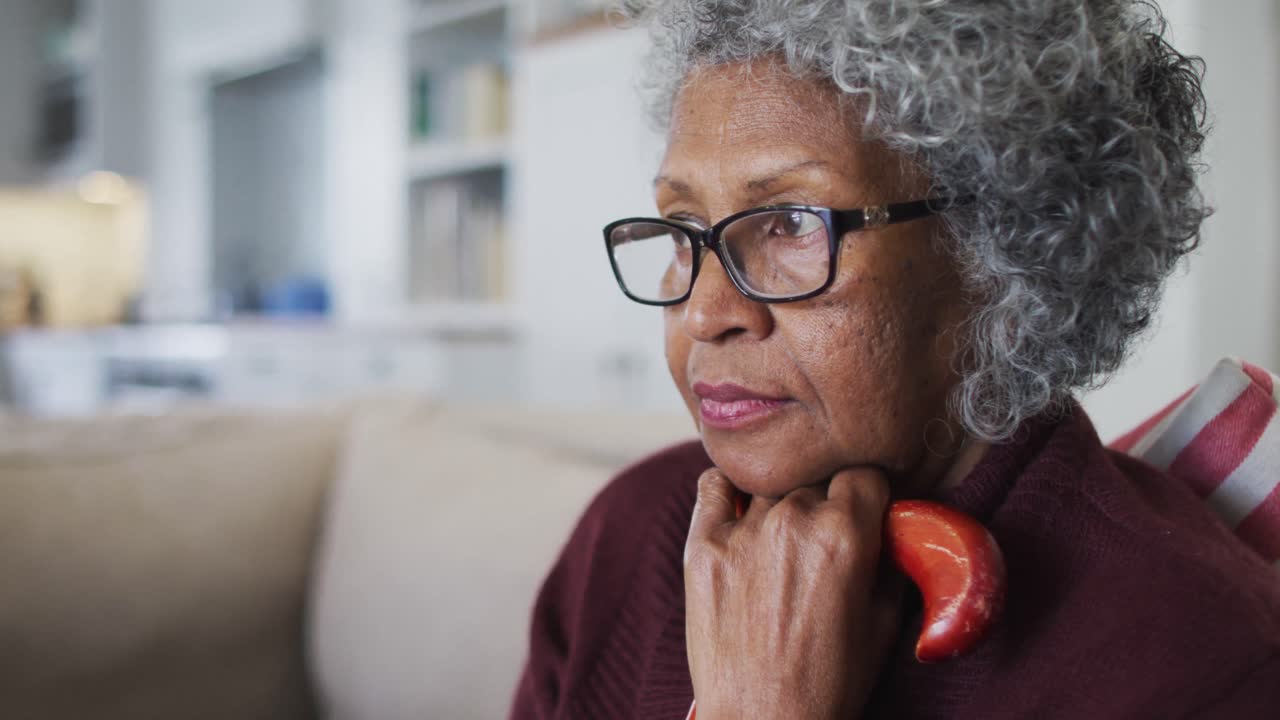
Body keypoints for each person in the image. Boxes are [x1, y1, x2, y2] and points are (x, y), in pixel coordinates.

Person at [508, 1, 1280, 717]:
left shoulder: (1196, 656)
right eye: (683, 226)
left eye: (789, 225)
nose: (705, 313)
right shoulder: (635, 531)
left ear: (1002, 253)